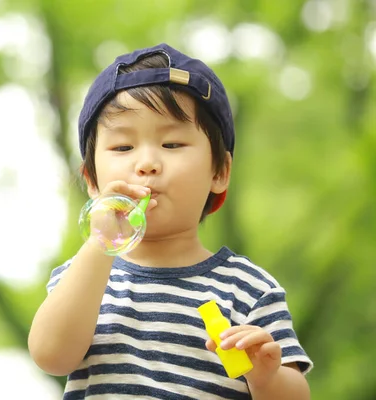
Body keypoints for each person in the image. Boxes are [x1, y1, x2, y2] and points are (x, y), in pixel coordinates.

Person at [28, 43, 313, 399]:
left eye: (173, 144)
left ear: (220, 172)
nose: (146, 163)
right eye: (122, 148)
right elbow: (51, 357)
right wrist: (102, 243)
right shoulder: (84, 276)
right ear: (92, 181)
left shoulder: (250, 289)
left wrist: (266, 378)